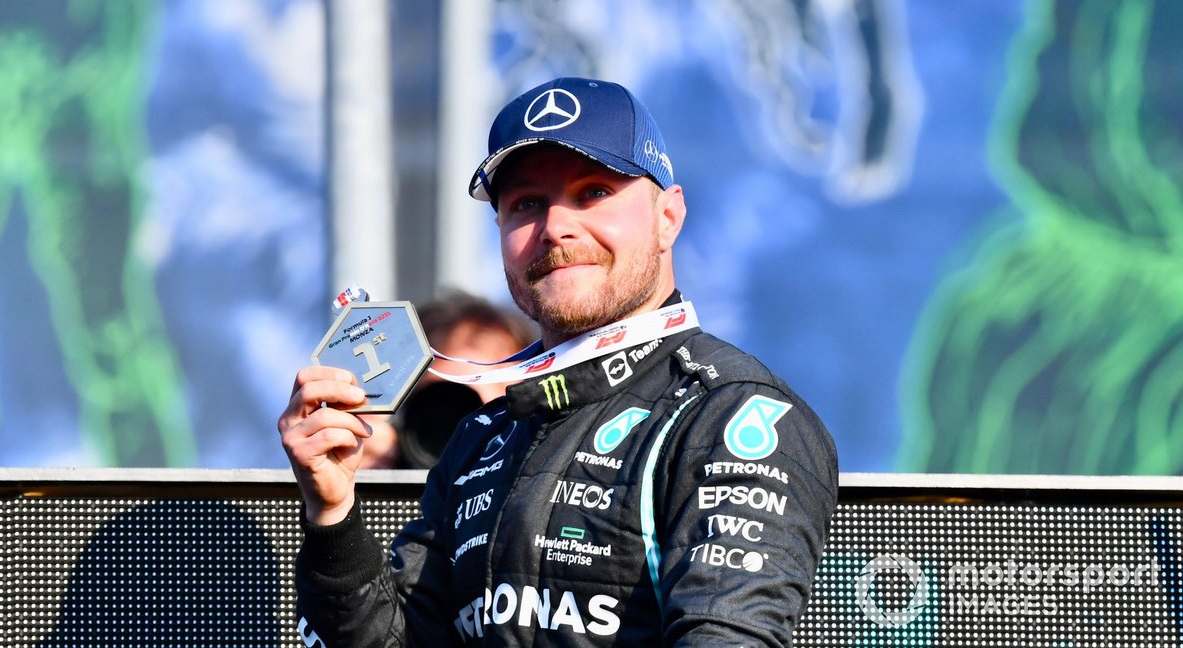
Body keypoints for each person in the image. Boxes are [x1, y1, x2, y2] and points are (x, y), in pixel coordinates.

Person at [278, 77, 838, 646]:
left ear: (668, 217)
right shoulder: (482, 435)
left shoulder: (732, 415)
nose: (555, 227)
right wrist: (333, 512)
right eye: (526, 203)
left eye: (594, 191)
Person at [361, 290, 537, 469]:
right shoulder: (384, 458)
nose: (455, 430)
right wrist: (358, 484)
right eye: (437, 399)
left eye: (469, 405)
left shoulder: (540, 475)